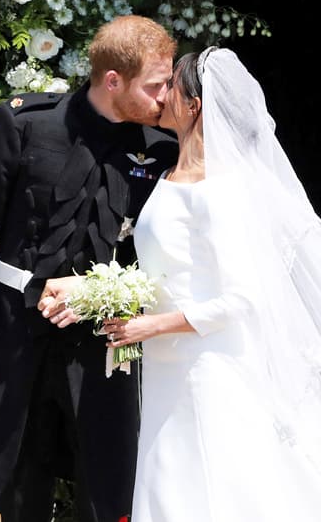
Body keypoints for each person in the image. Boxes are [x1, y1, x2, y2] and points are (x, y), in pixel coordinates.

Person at [0, 15, 179, 522]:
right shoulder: (25, 123)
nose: (165, 96)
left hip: (105, 343)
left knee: (107, 487)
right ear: (114, 80)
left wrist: (99, 292)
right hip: (13, 331)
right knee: (19, 479)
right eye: (156, 85)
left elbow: (161, 252)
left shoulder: (160, 151)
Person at [71, 47, 321, 521]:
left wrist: (152, 325)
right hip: (169, 367)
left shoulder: (220, 188)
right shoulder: (168, 174)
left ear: (195, 105)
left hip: (210, 367)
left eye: (171, 87)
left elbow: (243, 298)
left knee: (210, 486)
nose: (161, 96)